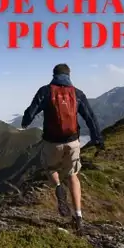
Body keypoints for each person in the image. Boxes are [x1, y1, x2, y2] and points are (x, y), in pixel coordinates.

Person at [21, 63, 105, 232]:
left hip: (52, 142)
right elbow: (90, 117)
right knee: (73, 175)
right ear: (69, 75)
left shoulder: (45, 91)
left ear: (53, 74)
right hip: (73, 142)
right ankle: (79, 216)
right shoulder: (77, 93)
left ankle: (59, 188)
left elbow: (32, 111)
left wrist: (25, 123)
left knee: (51, 168)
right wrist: (97, 139)